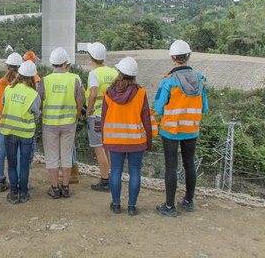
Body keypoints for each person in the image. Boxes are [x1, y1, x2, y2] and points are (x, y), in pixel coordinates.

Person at [154, 40, 208, 217]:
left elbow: (159, 107)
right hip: (191, 129)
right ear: (188, 56)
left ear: (172, 58)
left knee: (171, 166)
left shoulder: (168, 81)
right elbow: (204, 107)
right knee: (189, 164)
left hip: (170, 130)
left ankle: (169, 207)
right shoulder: (200, 80)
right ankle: (188, 201)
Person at [101, 57, 156, 216]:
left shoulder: (108, 94)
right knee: (135, 172)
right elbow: (146, 118)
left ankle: (116, 204)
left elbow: (104, 119)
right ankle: (132, 206)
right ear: (134, 75)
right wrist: (149, 142)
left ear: (119, 73)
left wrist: (104, 140)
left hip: (114, 140)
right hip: (136, 140)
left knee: (116, 171)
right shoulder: (141, 94)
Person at [38, 48, 83, 199]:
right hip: (69, 124)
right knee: (66, 155)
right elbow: (79, 101)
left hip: (50, 124)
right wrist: (76, 116)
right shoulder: (74, 79)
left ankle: (55, 188)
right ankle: (66, 187)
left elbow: (39, 102)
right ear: (65, 63)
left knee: (52, 156)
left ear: (52, 63)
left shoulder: (45, 80)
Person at [0, 60, 41, 204]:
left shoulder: (8, 90)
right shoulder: (33, 94)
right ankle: (23, 193)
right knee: (24, 164)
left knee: (11, 163)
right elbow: (36, 114)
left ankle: (13, 193)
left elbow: (3, 105)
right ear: (32, 77)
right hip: (26, 134)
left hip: (9, 132)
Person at [85, 42, 118, 191]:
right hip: (111, 116)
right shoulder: (114, 72)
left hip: (97, 117)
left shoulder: (94, 74)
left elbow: (93, 93)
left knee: (99, 148)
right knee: (107, 147)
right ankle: (109, 176)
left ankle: (105, 181)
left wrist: (89, 111)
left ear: (91, 57)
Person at [0, 52, 23, 192]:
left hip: (2, 122)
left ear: (7, 66)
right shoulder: (21, 84)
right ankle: (17, 181)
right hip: (17, 123)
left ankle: (0, 179)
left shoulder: (0, 82)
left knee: (2, 151)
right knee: (17, 153)